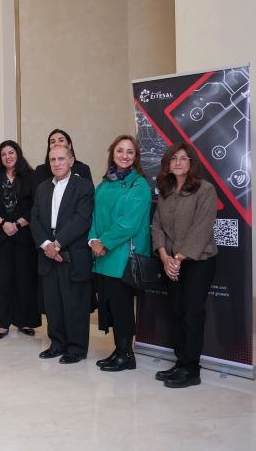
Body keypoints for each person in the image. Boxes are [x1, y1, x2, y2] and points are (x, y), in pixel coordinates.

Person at [152, 143, 218, 388]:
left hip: (198, 262)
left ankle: (192, 370)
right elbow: (157, 226)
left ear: (192, 163)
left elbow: (202, 228)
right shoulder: (165, 191)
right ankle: (181, 363)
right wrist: (164, 256)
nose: (178, 162)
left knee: (191, 314)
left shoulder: (205, 189)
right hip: (170, 262)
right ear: (167, 164)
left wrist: (178, 259)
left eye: (183, 158)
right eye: (174, 159)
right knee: (177, 313)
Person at [88, 134, 151, 372]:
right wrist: (94, 240)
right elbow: (94, 216)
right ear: (112, 154)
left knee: (122, 306)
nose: (124, 156)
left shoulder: (139, 185)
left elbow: (130, 223)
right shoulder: (104, 184)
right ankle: (118, 350)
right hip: (103, 254)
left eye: (130, 152)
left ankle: (127, 355)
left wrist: (104, 242)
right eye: (120, 151)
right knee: (112, 306)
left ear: (136, 157)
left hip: (123, 255)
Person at [30, 145, 94, 364]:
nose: (56, 163)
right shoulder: (42, 188)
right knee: (53, 303)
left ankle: (76, 348)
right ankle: (57, 343)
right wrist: (47, 245)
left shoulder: (84, 186)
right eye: (53, 159)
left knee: (74, 304)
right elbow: (35, 218)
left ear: (71, 161)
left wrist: (57, 244)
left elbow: (81, 219)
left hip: (73, 254)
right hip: (47, 253)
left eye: (61, 159)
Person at [0, 140, 40, 340]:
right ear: (0, 158)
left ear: (18, 154)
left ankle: (24, 321)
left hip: (24, 235)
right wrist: (2, 223)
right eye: (3, 154)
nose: (7, 157)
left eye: (11, 152)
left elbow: (35, 205)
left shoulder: (31, 175)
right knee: (2, 281)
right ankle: (3, 324)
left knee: (24, 279)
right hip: (0, 236)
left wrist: (17, 224)